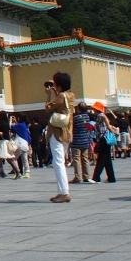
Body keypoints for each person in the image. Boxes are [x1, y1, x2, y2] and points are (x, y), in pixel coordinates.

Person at [44, 73, 74, 203]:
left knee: (58, 162)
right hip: (67, 131)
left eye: (55, 84)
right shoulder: (70, 95)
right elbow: (63, 107)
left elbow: (48, 108)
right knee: (61, 160)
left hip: (57, 132)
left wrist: (48, 95)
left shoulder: (61, 96)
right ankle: (62, 191)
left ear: (59, 85)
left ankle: (64, 192)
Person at [90, 102, 117, 184]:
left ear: (96, 109)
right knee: (107, 160)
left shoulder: (100, 116)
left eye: (94, 108)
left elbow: (106, 126)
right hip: (105, 139)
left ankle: (96, 178)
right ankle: (111, 178)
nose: (93, 110)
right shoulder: (102, 115)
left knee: (101, 159)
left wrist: (113, 132)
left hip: (103, 139)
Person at [69, 101, 95, 184]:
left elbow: (71, 128)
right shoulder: (88, 117)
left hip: (76, 141)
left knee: (76, 159)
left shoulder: (75, 118)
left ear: (78, 109)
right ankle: (86, 176)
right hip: (85, 140)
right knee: (85, 159)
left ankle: (78, 177)